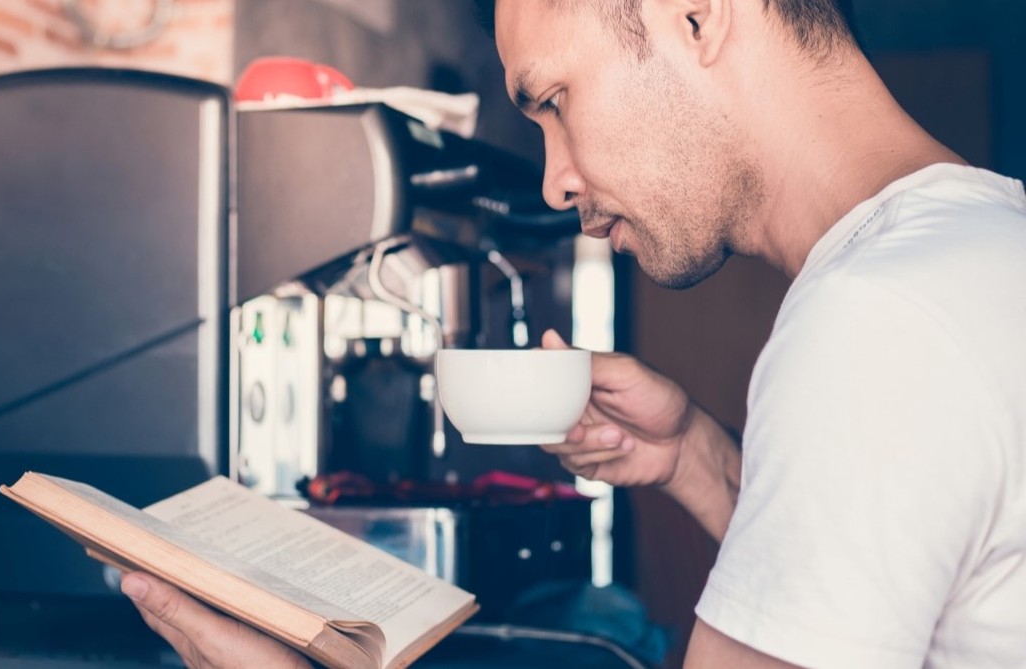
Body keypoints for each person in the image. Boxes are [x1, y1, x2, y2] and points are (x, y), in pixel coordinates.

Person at [121, 0, 1026, 666]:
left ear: (698, 18)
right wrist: (697, 460)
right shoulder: (980, 245)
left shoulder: (877, 321)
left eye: (554, 99)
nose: (554, 180)